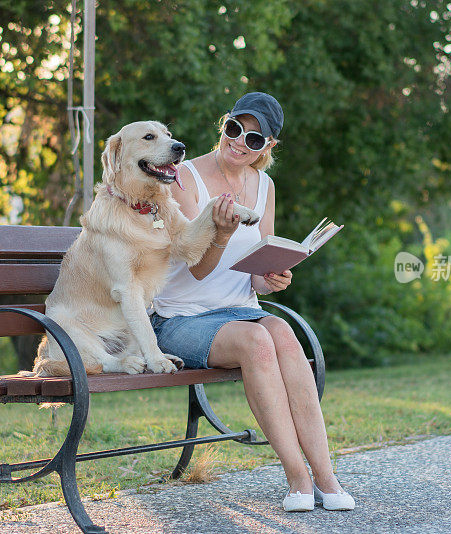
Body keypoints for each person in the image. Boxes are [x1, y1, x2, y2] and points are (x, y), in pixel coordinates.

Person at [150, 92, 355, 512]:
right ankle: (297, 480)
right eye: (234, 128)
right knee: (258, 342)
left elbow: (256, 275)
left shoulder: (264, 187)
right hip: (178, 319)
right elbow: (197, 271)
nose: (240, 141)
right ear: (223, 126)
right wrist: (219, 233)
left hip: (241, 309)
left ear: (269, 147)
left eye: (255, 138)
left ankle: (327, 478)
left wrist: (274, 277)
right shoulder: (185, 180)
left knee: (284, 333)